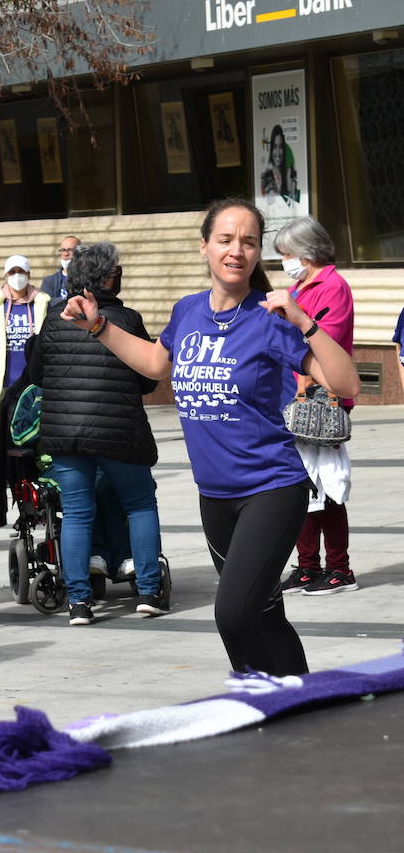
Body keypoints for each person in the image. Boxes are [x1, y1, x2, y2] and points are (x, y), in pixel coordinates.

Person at [60, 198, 359, 675]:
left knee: (233, 614)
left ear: (258, 253)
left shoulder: (270, 319)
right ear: (205, 247)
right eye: (225, 239)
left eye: (248, 242)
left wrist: (305, 323)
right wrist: (98, 326)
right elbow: (157, 364)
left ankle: (256, 702)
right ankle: (305, 700)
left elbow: (346, 385)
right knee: (264, 613)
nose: (236, 250)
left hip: (271, 489)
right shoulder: (188, 312)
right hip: (215, 496)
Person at [27, 243, 165, 625]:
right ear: (107, 277)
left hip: (65, 435)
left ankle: (79, 603)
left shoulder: (54, 318)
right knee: (139, 504)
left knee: (76, 513)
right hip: (119, 433)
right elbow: (147, 379)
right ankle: (149, 590)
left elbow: (37, 374)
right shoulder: (127, 319)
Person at [272, 218, 358, 596]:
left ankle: (339, 568)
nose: (285, 261)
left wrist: (290, 318)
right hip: (292, 397)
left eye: (287, 254)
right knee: (300, 488)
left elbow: (326, 341)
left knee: (327, 486)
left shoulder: (332, 286)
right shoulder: (298, 286)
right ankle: (308, 566)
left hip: (321, 397)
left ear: (306, 252)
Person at [0, 255, 50, 476]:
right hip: (4, 380)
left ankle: (30, 472)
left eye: (21, 272)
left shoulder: (42, 300)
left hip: (33, 380)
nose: (16, 276)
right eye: (12, 272)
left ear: (28, 274)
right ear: (5, 275)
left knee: (32, 428)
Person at [260, 124, 299, 204]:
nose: (278, 152)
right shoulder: (267, 174)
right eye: (274, 146)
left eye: (281, 147)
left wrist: (292, 180)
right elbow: (269, 203)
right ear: (271, 149)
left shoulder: (287, 173)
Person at [39, 236, 80, 302]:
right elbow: (47, 304)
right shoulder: (49, 281)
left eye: (70, 250)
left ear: (79, 253)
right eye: (63, 250)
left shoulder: (88, 279)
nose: (66, 254)